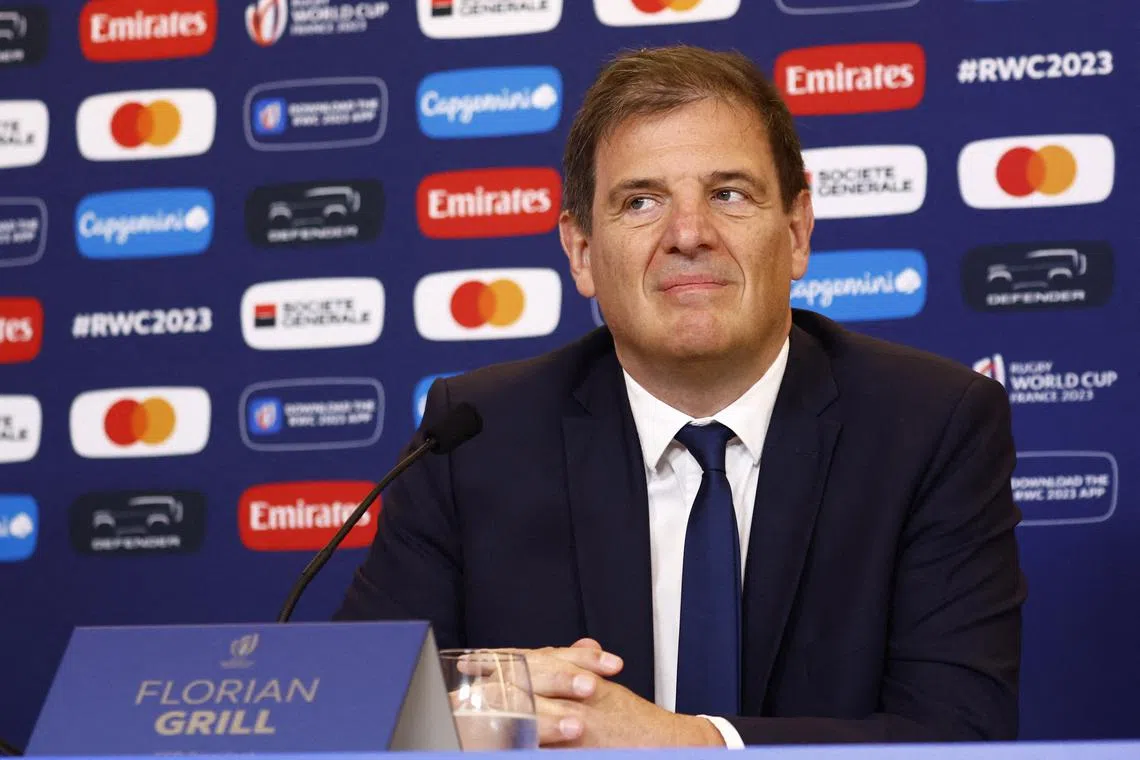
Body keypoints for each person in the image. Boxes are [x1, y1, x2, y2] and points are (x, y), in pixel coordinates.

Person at [335, 45, 1027, 747]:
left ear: (795, 232)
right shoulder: (474, 439)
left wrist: (686, 742)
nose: (689, 235)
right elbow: (355, 706)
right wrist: (494, 702)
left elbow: (958, 733)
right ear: (580, 251)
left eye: (728, 193)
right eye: (641, 201)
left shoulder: (931, 426)